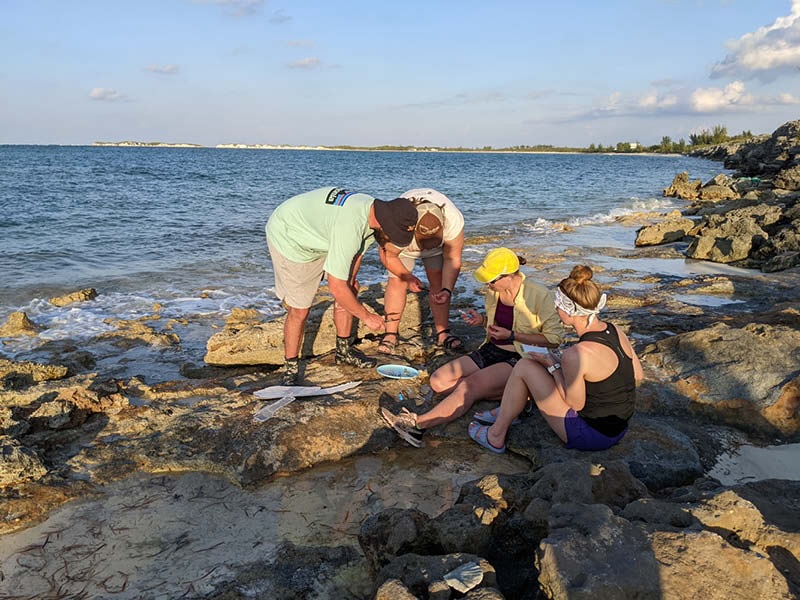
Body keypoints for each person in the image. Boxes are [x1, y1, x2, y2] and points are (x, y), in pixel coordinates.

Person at [380, 247, 564, 447]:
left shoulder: (539, 294)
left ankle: (417, 426)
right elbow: (497, 323)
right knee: (438, 381)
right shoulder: (494, 292)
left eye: (491, 280)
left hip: (521, 358)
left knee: (467, 387)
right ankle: (521, 395)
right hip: (492, 349)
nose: (487, 284)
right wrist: (482, 321)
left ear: (509, 276)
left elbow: (555, 339)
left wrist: (512, 335)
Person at [468, 265, 644, 453]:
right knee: (535, 362)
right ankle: (509, 410)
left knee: (524, 366)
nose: (555, 308)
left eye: (557, 305)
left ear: (568, 312)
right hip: (619, 427)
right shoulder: (614, 329)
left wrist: (554, 366)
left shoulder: (576, 354)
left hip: (590, 434)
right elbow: (638, 375)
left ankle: (496, 435)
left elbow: (574, 404)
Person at [265, 186, 418, 385]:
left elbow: (353, 264)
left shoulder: (374, 218)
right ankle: (291, 370)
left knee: (351, 288)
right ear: (386, 224)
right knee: (300, 309)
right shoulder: (350, 225)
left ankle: (343, 352)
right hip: (291, 237)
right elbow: (335, 287)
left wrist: (350, 286)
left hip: (323, 235)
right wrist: (367, 317)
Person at [376, 188, 465, 354]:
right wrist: (408, 277)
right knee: (397, 281)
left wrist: (447, 290)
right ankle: (390, 333)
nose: (426, 246)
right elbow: (387, 255)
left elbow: (453, 259)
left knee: (438, 281)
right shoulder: (397, 222)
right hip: (403, 247)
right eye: (426, 241)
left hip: (437, 251)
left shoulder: (453, 220)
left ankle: (443, 333)